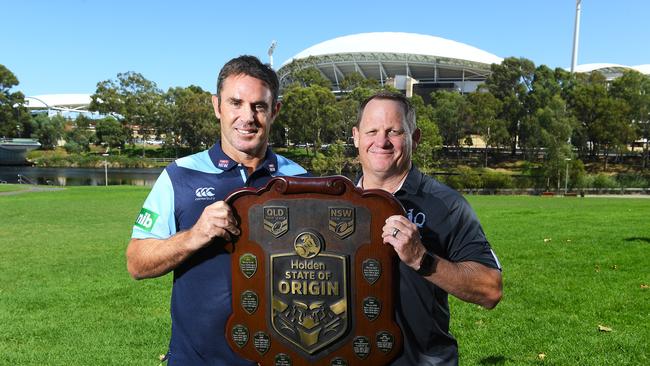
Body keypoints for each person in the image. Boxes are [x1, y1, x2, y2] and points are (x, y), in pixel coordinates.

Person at [126, 55, 308, 365]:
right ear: (217, 106)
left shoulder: (301, 181)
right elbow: (136, 263)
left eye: (259, 106)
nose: (247, 117)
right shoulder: (179, 175)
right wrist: (194, 235)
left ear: (274, 111)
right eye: (235, 103)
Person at [352, 90, 503, 365]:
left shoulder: (445, 204)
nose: (381, 141)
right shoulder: (333, 203)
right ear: (355, 137)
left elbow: (490, 289)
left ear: (415, 138)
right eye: (371, 130)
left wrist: (422, 258)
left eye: (394, 131)